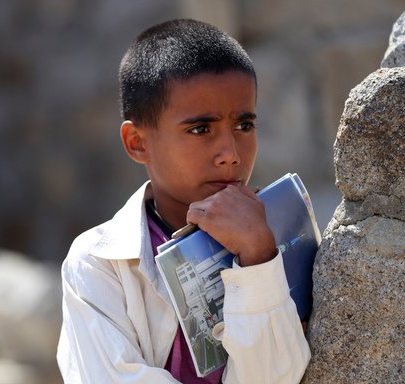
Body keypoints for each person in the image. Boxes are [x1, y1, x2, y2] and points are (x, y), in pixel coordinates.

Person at [57, 19, 311, 383]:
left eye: (244, 126)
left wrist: (258, 259)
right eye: (200, 129)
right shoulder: (100, 264)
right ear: (137, 143)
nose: (230, 154)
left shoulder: (287, 233)